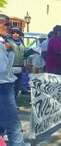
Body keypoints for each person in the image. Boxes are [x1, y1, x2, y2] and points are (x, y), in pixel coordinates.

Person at [0, 14, 26, 145]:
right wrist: (9, 53)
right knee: (14, 126)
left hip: (7, 83)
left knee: (3, 122)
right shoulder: (2, 44)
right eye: (6, 24)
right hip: (3, 86)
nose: (10, 28)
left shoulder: (6, 42)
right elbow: (2, 69)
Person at [7, 28, 25, 99]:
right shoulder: (8, 42)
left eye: (17, 33)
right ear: (11, 34)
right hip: (10, 67)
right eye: (13, 33)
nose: (15, 34)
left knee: (17, 86)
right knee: (11, 86)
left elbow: (23, 53)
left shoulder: (21, 42)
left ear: (20, 34)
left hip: (19, 67)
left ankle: (14, 102)